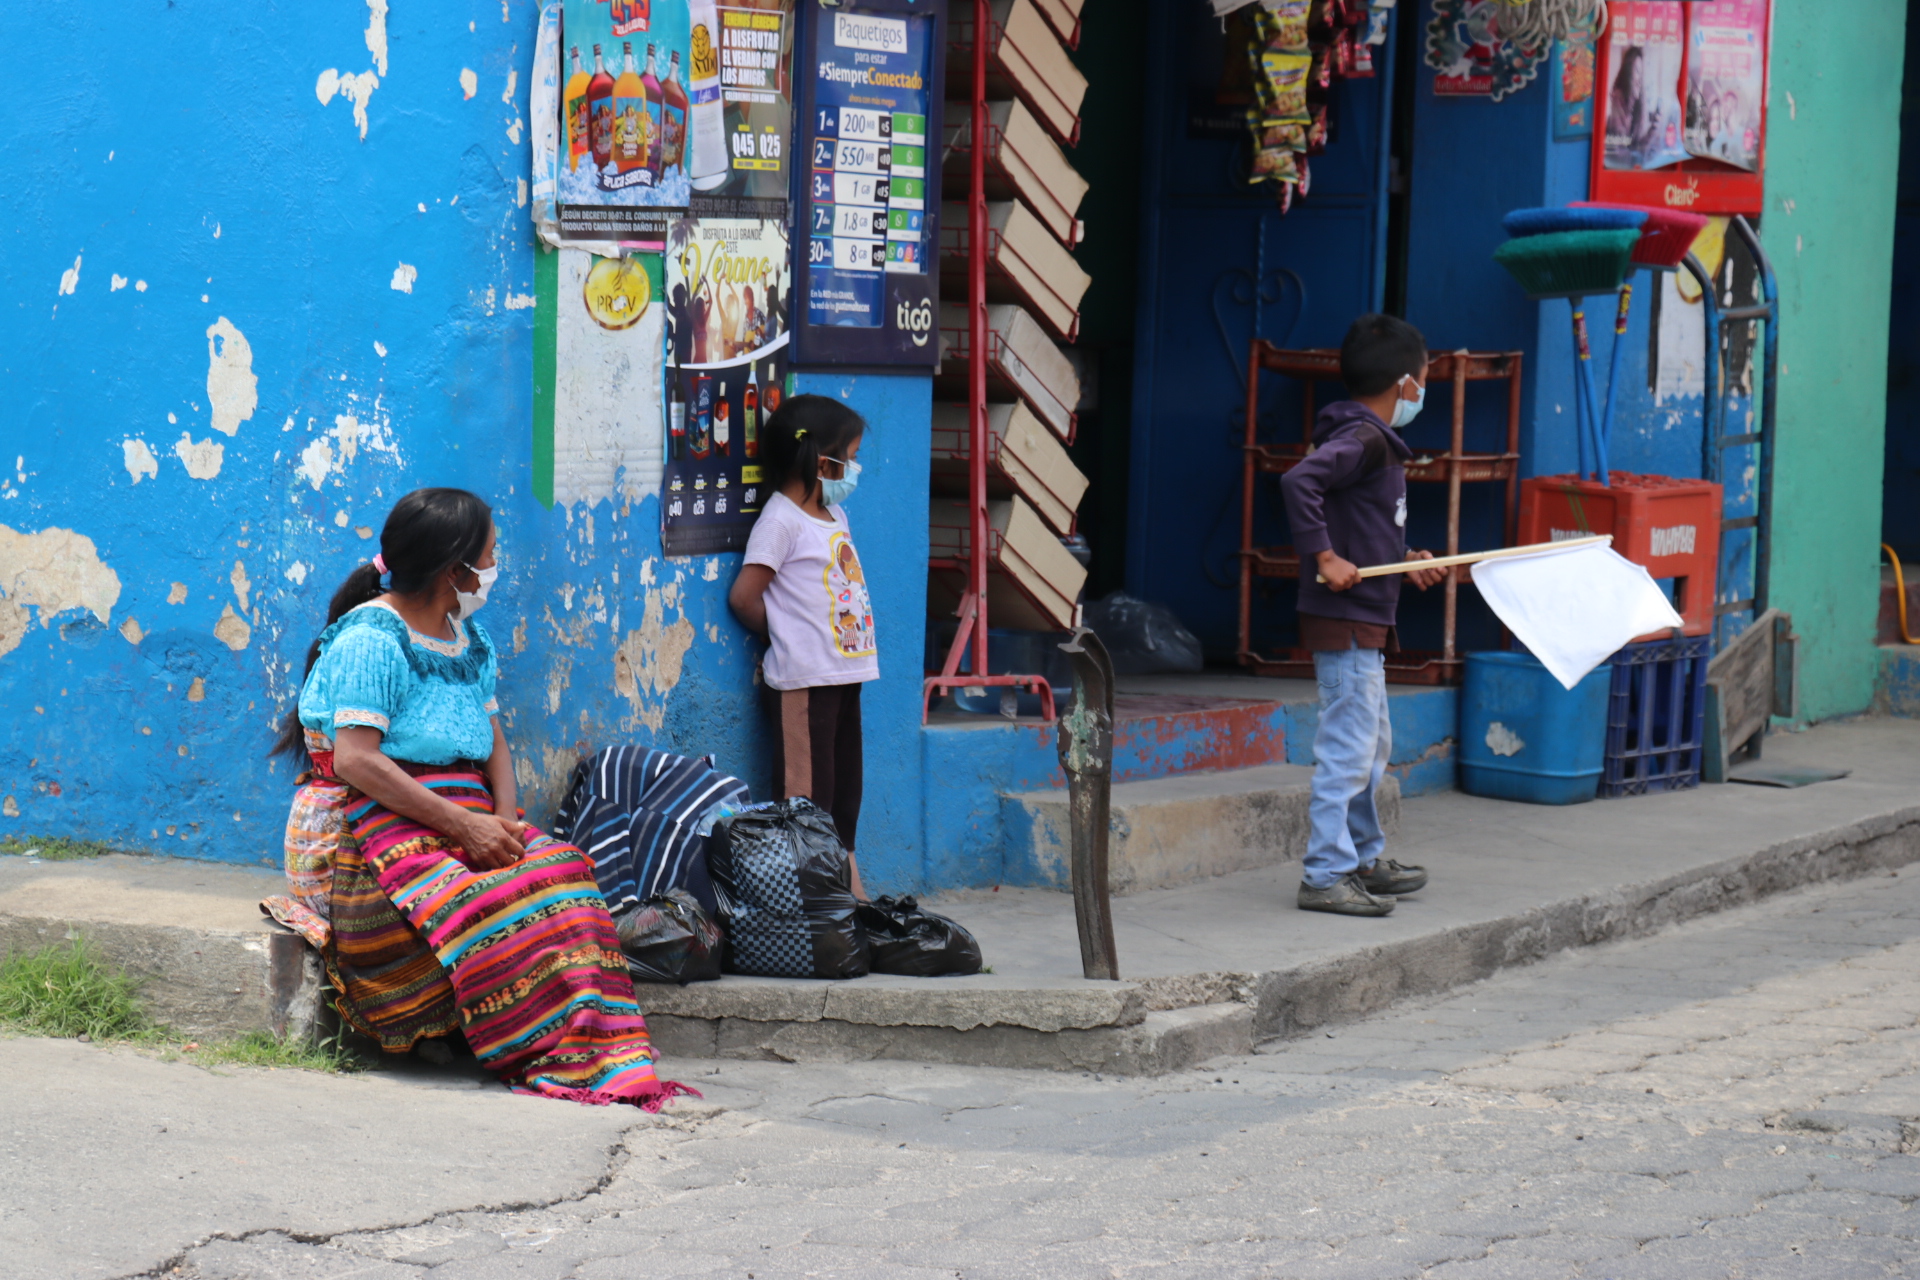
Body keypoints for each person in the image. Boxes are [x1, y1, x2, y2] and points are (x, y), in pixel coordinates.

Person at [268, 487, 694, 1109]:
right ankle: (539, 1045)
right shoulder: (372, 640)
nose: (495, 568)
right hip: (377, 830)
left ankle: (587, 1047)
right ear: (455, 569)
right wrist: (465, 831)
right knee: (489, 903)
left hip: (460, 813)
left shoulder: (465, 638)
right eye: (490, 556)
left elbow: (494, 741)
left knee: (563, 873)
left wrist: (503, 820)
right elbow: (358, 760)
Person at [1279, 315, 1447, 918]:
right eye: (1424, 381)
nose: (1423, 393)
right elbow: (1299, 483)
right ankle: (1325, 873)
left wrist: (1403, 561)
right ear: (1406, 384)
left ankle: (1362, 860)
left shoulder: (1370, 440)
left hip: (1366, 620)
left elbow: (1362, 530)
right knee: (1348, 751)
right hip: (1345, 622)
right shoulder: (1363, 438)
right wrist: (1323, 554)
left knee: (1370, 747)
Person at [727, 396, 876, 900]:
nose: (853, 470)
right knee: (806, 801)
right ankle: (809, 911)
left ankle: (851, 900)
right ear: (819, 458)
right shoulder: (781, 520)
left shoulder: (833, 515)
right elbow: (744, 597)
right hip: (804, 682)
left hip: (842, 677)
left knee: (844, 800)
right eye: (848, 457)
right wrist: (788, 634)